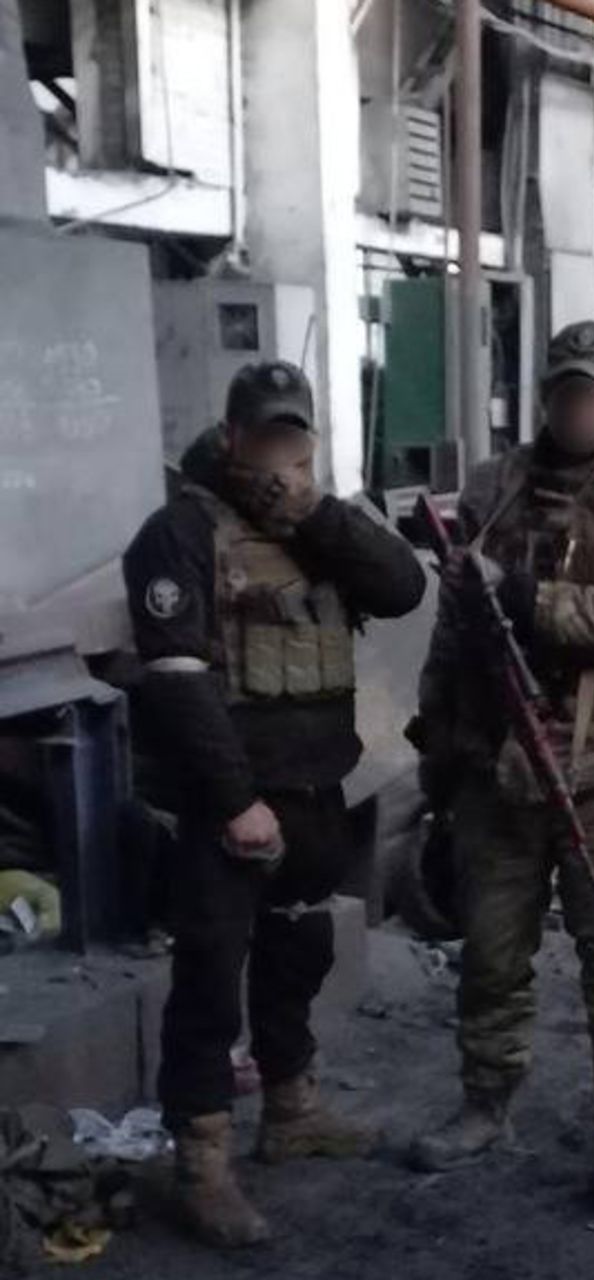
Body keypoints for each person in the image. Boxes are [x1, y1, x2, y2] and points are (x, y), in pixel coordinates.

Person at [123, 361, 426, 1247]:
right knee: (211, 981)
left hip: (317, 793)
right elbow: (178, 687)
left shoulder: (320, 527)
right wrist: (234, 802)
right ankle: (202, 1165)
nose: (280, 458)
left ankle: (290, 1110)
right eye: (266, 441)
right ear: (232, 439)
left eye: (296, 442)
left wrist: (315, 511)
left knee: (300, 953)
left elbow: (403, 587)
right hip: (233, 805)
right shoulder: (177, 534)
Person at [410, 321, 594, 1213]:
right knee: (492, 953)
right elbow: (458, 626)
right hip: (499, 764)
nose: (576, 406)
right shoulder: (496, 490)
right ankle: (485, 1102)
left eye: (592, 392)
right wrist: (437, 741)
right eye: (563, 390)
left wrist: (525, 596)